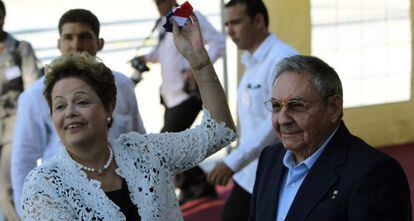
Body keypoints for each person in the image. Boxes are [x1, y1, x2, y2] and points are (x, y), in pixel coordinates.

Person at [21, 13, 236, 220]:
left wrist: (198, 60)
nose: (69, 113)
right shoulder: (43, 186)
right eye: (59, 106)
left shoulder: (146, 152)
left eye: (82, 101)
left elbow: (218, 133)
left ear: (108, 107)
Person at [11, 9, 146, 217]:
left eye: (84, 37)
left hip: (128, 193)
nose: (76, 45)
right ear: (59, 44)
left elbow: (139, 141)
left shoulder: (123, 85)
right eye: (68, 38)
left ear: (99, 43)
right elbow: (22, 162)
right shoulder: (34, 96)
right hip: (68, 201)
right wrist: (29, 214)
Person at [249, 55, 412, 221]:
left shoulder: (375, 174)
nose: (283, 119)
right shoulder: (270, 158)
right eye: (276, 106)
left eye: (296, 105)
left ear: (333, 108)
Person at [207, 0, 297, 220]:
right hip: (251, 171)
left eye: (236, 22)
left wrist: (234, 160)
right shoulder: (252, 61)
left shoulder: (282, 59)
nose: (230, 31)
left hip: (277, 169)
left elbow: (276, 121)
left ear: (258, 20)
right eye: (227, 24)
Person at [138, 0, 226, 204]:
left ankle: (199, 183)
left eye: (161, 1)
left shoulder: (186, 14)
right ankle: (193, 185)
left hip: (187, 94)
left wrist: (196, 67)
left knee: (166, 142)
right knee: (173, 142)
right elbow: (165, 53)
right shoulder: (164, 21)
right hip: (170, 97)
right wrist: (147, 57)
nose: (158, 5)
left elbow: (218, 42)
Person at [0, 1, 39, 220]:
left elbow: (32, 90)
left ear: (3, 17)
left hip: (15, 125)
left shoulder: (20, 49)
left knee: (7, 187)